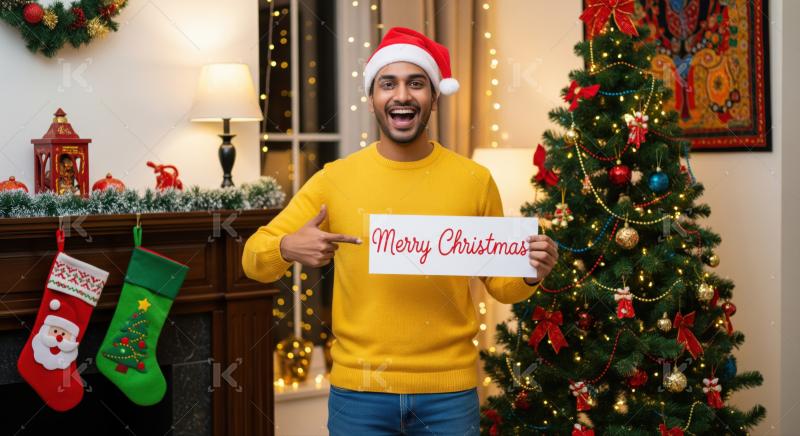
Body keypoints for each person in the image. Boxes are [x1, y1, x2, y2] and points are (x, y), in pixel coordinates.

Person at [242, 27, 559, 435]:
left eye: (416, 83)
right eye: (388, 84)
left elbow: (501, 286)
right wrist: (287, 247)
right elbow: (253, 259)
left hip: (449, 394)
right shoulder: (334, 180)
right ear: (372, 97)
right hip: (359, 394)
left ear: (434, 96)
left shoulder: (474, 180)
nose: (402, 95)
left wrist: (530, 272)